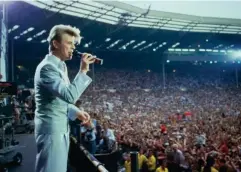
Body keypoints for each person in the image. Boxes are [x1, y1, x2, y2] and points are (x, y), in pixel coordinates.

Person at [34, 24, 96, 172]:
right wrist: (83, 71)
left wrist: (76, 112)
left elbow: (59, 100)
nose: (73, 47)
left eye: (74, 44)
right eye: (69, 43)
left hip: (59, 129)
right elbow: (69, 96)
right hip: (52, 131)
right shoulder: (47, 68)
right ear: (55, 43)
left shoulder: (60, 66)